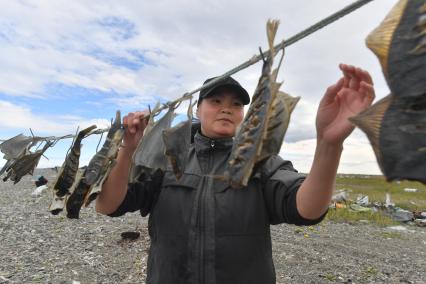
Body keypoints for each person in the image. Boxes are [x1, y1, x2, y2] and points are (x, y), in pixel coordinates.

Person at [96, 63, 375, 284]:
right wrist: (128, 150)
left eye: (236, 104)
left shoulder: (261, 160)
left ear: (243, 113)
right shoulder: (167, 158)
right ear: (197, 109)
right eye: (215, 100)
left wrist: (329, 144)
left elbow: (306, 209)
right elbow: (108, 205)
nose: (226, 108)